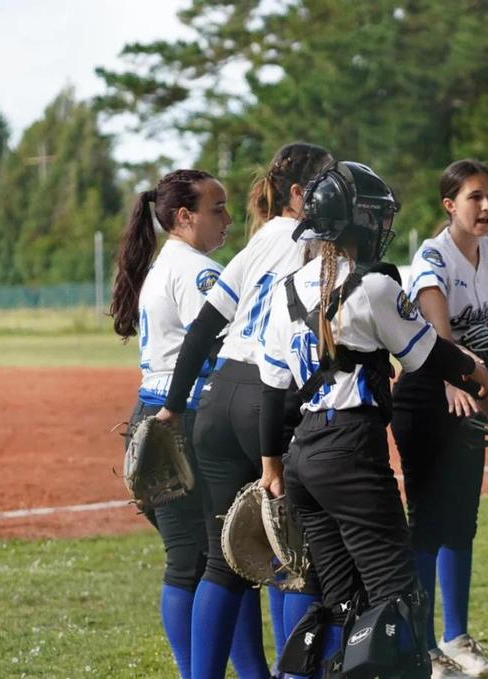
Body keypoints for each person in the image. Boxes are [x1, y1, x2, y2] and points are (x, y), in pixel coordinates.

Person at [255, 161, 488, 678]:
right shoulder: (372, 285)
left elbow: (273, 390)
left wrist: (271, 465)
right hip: (351, 450)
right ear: (358, 223)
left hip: (303, 452)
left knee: (339, 599)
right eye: (376, 217)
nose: (382, 226)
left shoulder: (284, 288)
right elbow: (429, 356)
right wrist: (481, 377)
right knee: (397, 597)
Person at [155, 142, 334, 679]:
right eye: (326, 184)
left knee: (222, 562)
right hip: (267, 396)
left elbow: (203, 330)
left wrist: (171, 409)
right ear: (300, 193)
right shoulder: (312, 241)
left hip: (216, 401)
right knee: (297, 560)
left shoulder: (258, 243)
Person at [390, 158, 488, 678]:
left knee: (462, 525)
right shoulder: (431, 256)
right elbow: (437, 342)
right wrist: (462, 385)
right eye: (475, 196)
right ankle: (423, 649)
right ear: (450, 205)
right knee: (427, 523)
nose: (487, 205)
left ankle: (457, 638)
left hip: (472, 392)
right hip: (429, 394)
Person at [110, 169, 232, 679]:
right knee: (196, 560)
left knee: (195, 556)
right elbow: (227, 343)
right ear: (185, 216)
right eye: (217, 208)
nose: (227, 219)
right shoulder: (196, 270)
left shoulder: (168, 264)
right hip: (182, 416)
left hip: (155, 411)